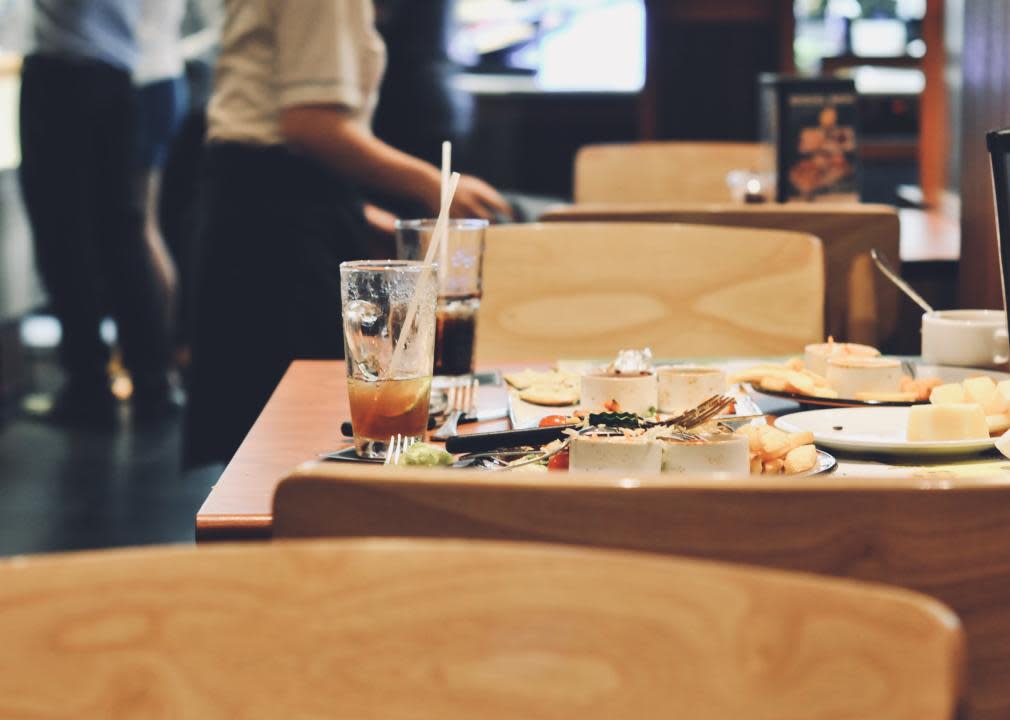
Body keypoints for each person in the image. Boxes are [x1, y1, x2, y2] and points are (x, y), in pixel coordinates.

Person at [184, 0, 510, 467]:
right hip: (274, 229)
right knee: (281, 442)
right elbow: (310, 124)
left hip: (265, 198)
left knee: (269, 441)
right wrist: (434, 185)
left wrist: (361, 218)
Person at [19, 0, 173, 425]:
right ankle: (152, 383)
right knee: (123, 235)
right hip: (117, 76)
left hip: (65, 77)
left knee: (63, 239)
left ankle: (88, 388)